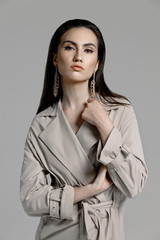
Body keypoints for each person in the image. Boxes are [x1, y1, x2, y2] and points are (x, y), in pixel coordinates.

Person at [20, 19, 148, 240]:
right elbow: (30, 199)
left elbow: (134, 184)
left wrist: (105, 125)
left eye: (88, 50)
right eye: (69, 47)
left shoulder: (120, 111)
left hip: (106, 232)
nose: (78, 56)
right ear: (55, 58)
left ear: (97, 63)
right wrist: (91, 189)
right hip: (56, 233)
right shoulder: (41, 124)